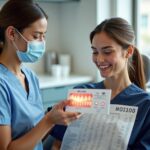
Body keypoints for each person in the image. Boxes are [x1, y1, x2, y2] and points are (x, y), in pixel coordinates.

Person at [50, 17, 150, 149]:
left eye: (107, 51)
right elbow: (58, 145)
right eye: (95, 52)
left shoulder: (144, 104)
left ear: (128, 52)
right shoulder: (82, 93)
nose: (99, 59)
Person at [0, 0, 80, 150]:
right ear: (12, 33)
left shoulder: (30, 76)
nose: (42, 43)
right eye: (36, 36)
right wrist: (49, 120)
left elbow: (34, 135)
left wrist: (57, 117)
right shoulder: (2, 84)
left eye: (44, 36)